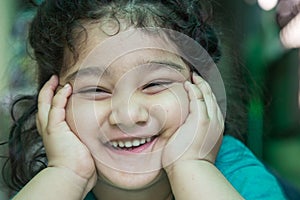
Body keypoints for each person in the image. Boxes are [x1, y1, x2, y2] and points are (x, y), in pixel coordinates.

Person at [1, 0, 287, 199]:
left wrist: (191, 167)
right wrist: (67, 174)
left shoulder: (237, 174)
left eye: (154, 84)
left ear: (201, 90)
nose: (128, 115)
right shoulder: (52, 180)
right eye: (96, 90)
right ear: (52, 103)